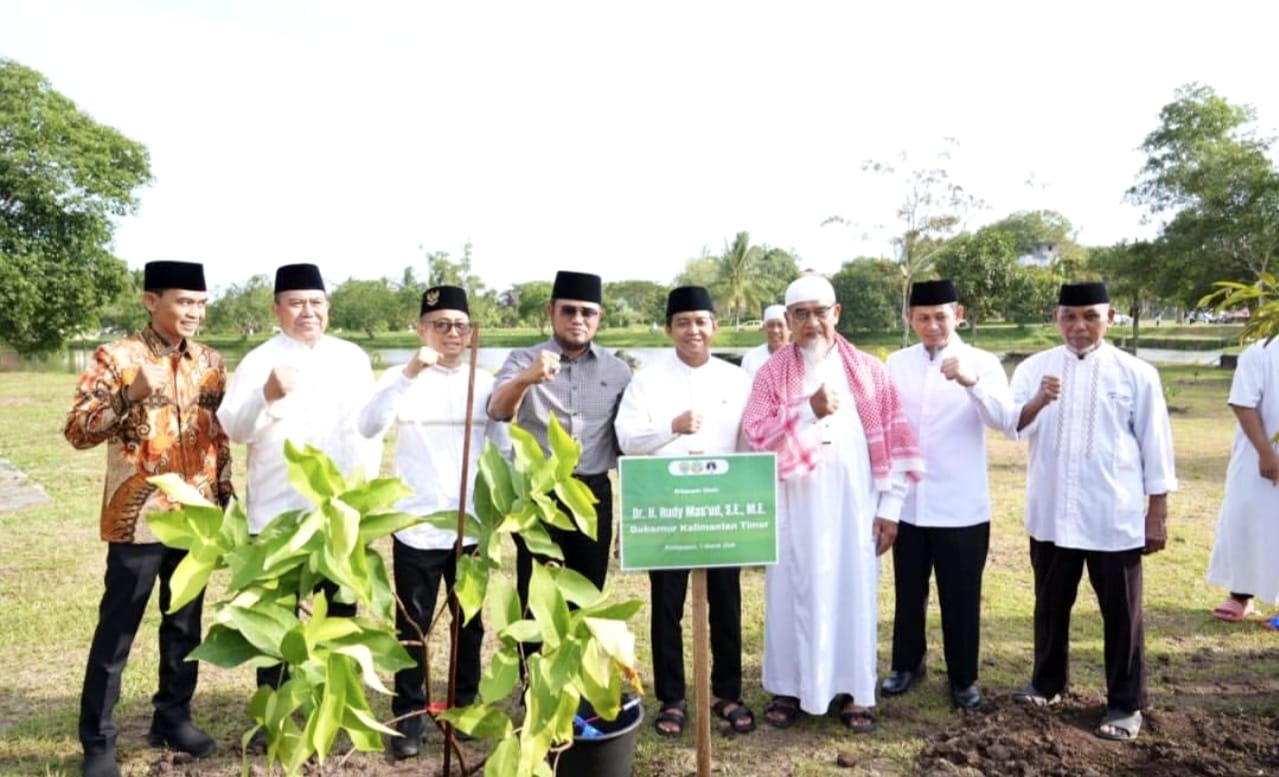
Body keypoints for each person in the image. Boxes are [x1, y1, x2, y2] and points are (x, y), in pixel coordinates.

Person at [66, 261, 232, 777]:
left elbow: (218, 435)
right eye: (184, 301)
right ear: (150, 300)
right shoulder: (116, 358)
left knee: (184, 626)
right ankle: (98, 741)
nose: (194, 312)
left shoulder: (210, 362)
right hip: (138, 519)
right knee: (118, 631)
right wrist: (128, 395)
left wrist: (223, 494)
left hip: (196, 518)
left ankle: (173, 718)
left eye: (200, 303)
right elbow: (77, 430)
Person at [741, 274, 923, 734]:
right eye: (800, 314)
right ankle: (788, 688)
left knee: (854, 592)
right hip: (793, 507)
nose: (811, 322)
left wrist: (891, 509)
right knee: (791, 593)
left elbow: (897, 440)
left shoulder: (870, 370)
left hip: (856, 509)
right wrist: (808, 409)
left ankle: (855, 691)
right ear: (787, 319)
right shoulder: (771, 373)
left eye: (820, 312)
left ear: (836, 313)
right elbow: (755, 433)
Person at [1008, 281, 1177, 742]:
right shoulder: (1034, 368)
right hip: (1051, 513)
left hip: (1113, 516)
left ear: (1111, 317)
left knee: (1122, 615)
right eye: (1069, 316)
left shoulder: (1136, 373)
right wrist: (1038, 400)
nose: (1079, 326)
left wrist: (1157, 513)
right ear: (1056, 318)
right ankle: (1047, 683)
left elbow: (1156, 445)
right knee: (1050, 605)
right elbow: (1011, 426)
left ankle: (1125, 703)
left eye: (1090, 316)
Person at [217, 263, 380, 691]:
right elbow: (235, 430)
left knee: (339, 618)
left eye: (315, 302)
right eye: (295, 303)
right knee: (275, 625)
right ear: (276, 310)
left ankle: (335, 702)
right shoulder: (258, 361)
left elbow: (370, 430)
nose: (308, 311)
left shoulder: (352, 358)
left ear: (328, 307)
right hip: (278, 512)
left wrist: (363, 493)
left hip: (337, 515)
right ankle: (276, 711)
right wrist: (266, 395)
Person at [357, 285, 504, 758]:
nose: (452, 334)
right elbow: (368, 425)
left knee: (469, 624)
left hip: (471, 524)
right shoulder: (401, 377)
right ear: (422, 330)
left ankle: (464, 704)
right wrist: (408, 374)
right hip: (417, 525)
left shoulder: (485, 381)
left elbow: (502, 445)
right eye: (441, 325)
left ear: (471, 332)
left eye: (460, 325)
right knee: (412, 627)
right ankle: (410, 715)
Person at [614, 286, 755, 738]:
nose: (693, 330)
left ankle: (727, 693)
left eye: (700, 321)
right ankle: (672, 698)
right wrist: (670, 427)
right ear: (668, 329)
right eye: (682, 323)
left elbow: (749, 441)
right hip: (667, 507)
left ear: (715, 326)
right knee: (666, 606)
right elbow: (626, 439)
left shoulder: (737, 380)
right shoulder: (647, 381)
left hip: (722, 507)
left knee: (727, 603)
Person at [883, 279, 1016, 710]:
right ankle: (907, 665)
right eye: (923, 317)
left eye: (940, 316)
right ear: (910, 319)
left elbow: (1006, 421)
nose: (932, 325)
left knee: (960, 596)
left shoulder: (982, 362)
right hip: (908, 503)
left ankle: (963, 678)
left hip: (961, 505)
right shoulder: (896, 364)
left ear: (958, 315)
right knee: (908, 592)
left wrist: (971, 382)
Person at [487, 270, 631, 597]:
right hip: (539, 492)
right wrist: (526, 379)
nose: (577, 319)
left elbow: (625, 444)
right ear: (551, 311)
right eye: (568, 310)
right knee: (536, 595)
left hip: (592, 494)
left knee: (587, 592)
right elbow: (498, 411)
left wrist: (630, 518)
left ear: (599, 317)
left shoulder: (618, 370)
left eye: (587, 312)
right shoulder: (523, 360)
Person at [1205, 338, 1279, 624]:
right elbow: (1243, 402)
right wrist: (1266, 453)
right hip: (1259, 456)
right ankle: (1240, 595)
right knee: (1246, 520)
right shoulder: (1261, 352)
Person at [739, 304, 790, 377]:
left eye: (780, 325)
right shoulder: (750, 357)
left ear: (790, 328)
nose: (775, 330)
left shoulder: (799, 357)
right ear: (764, 329)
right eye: (771, 325)